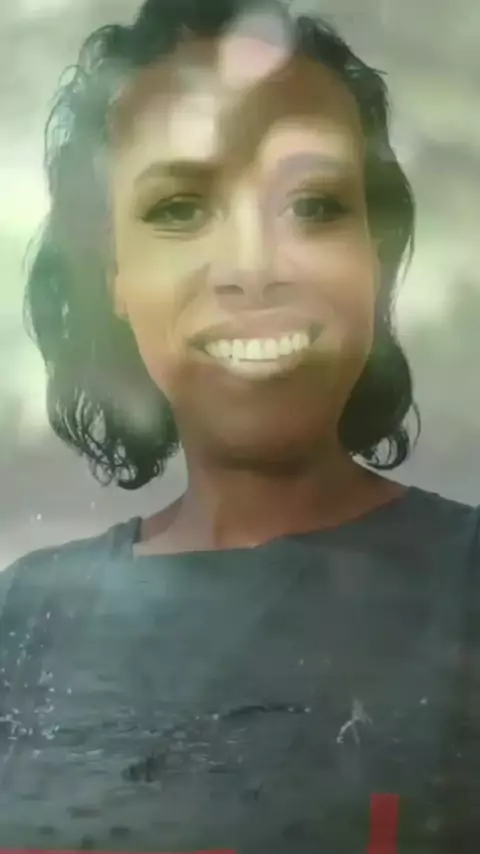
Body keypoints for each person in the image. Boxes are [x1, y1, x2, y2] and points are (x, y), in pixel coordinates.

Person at [1, 0, 478, 850]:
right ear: (113, 274)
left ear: (374, 257)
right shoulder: (23, 620)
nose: (254, 268)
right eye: (180, 208)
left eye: (316, 204)